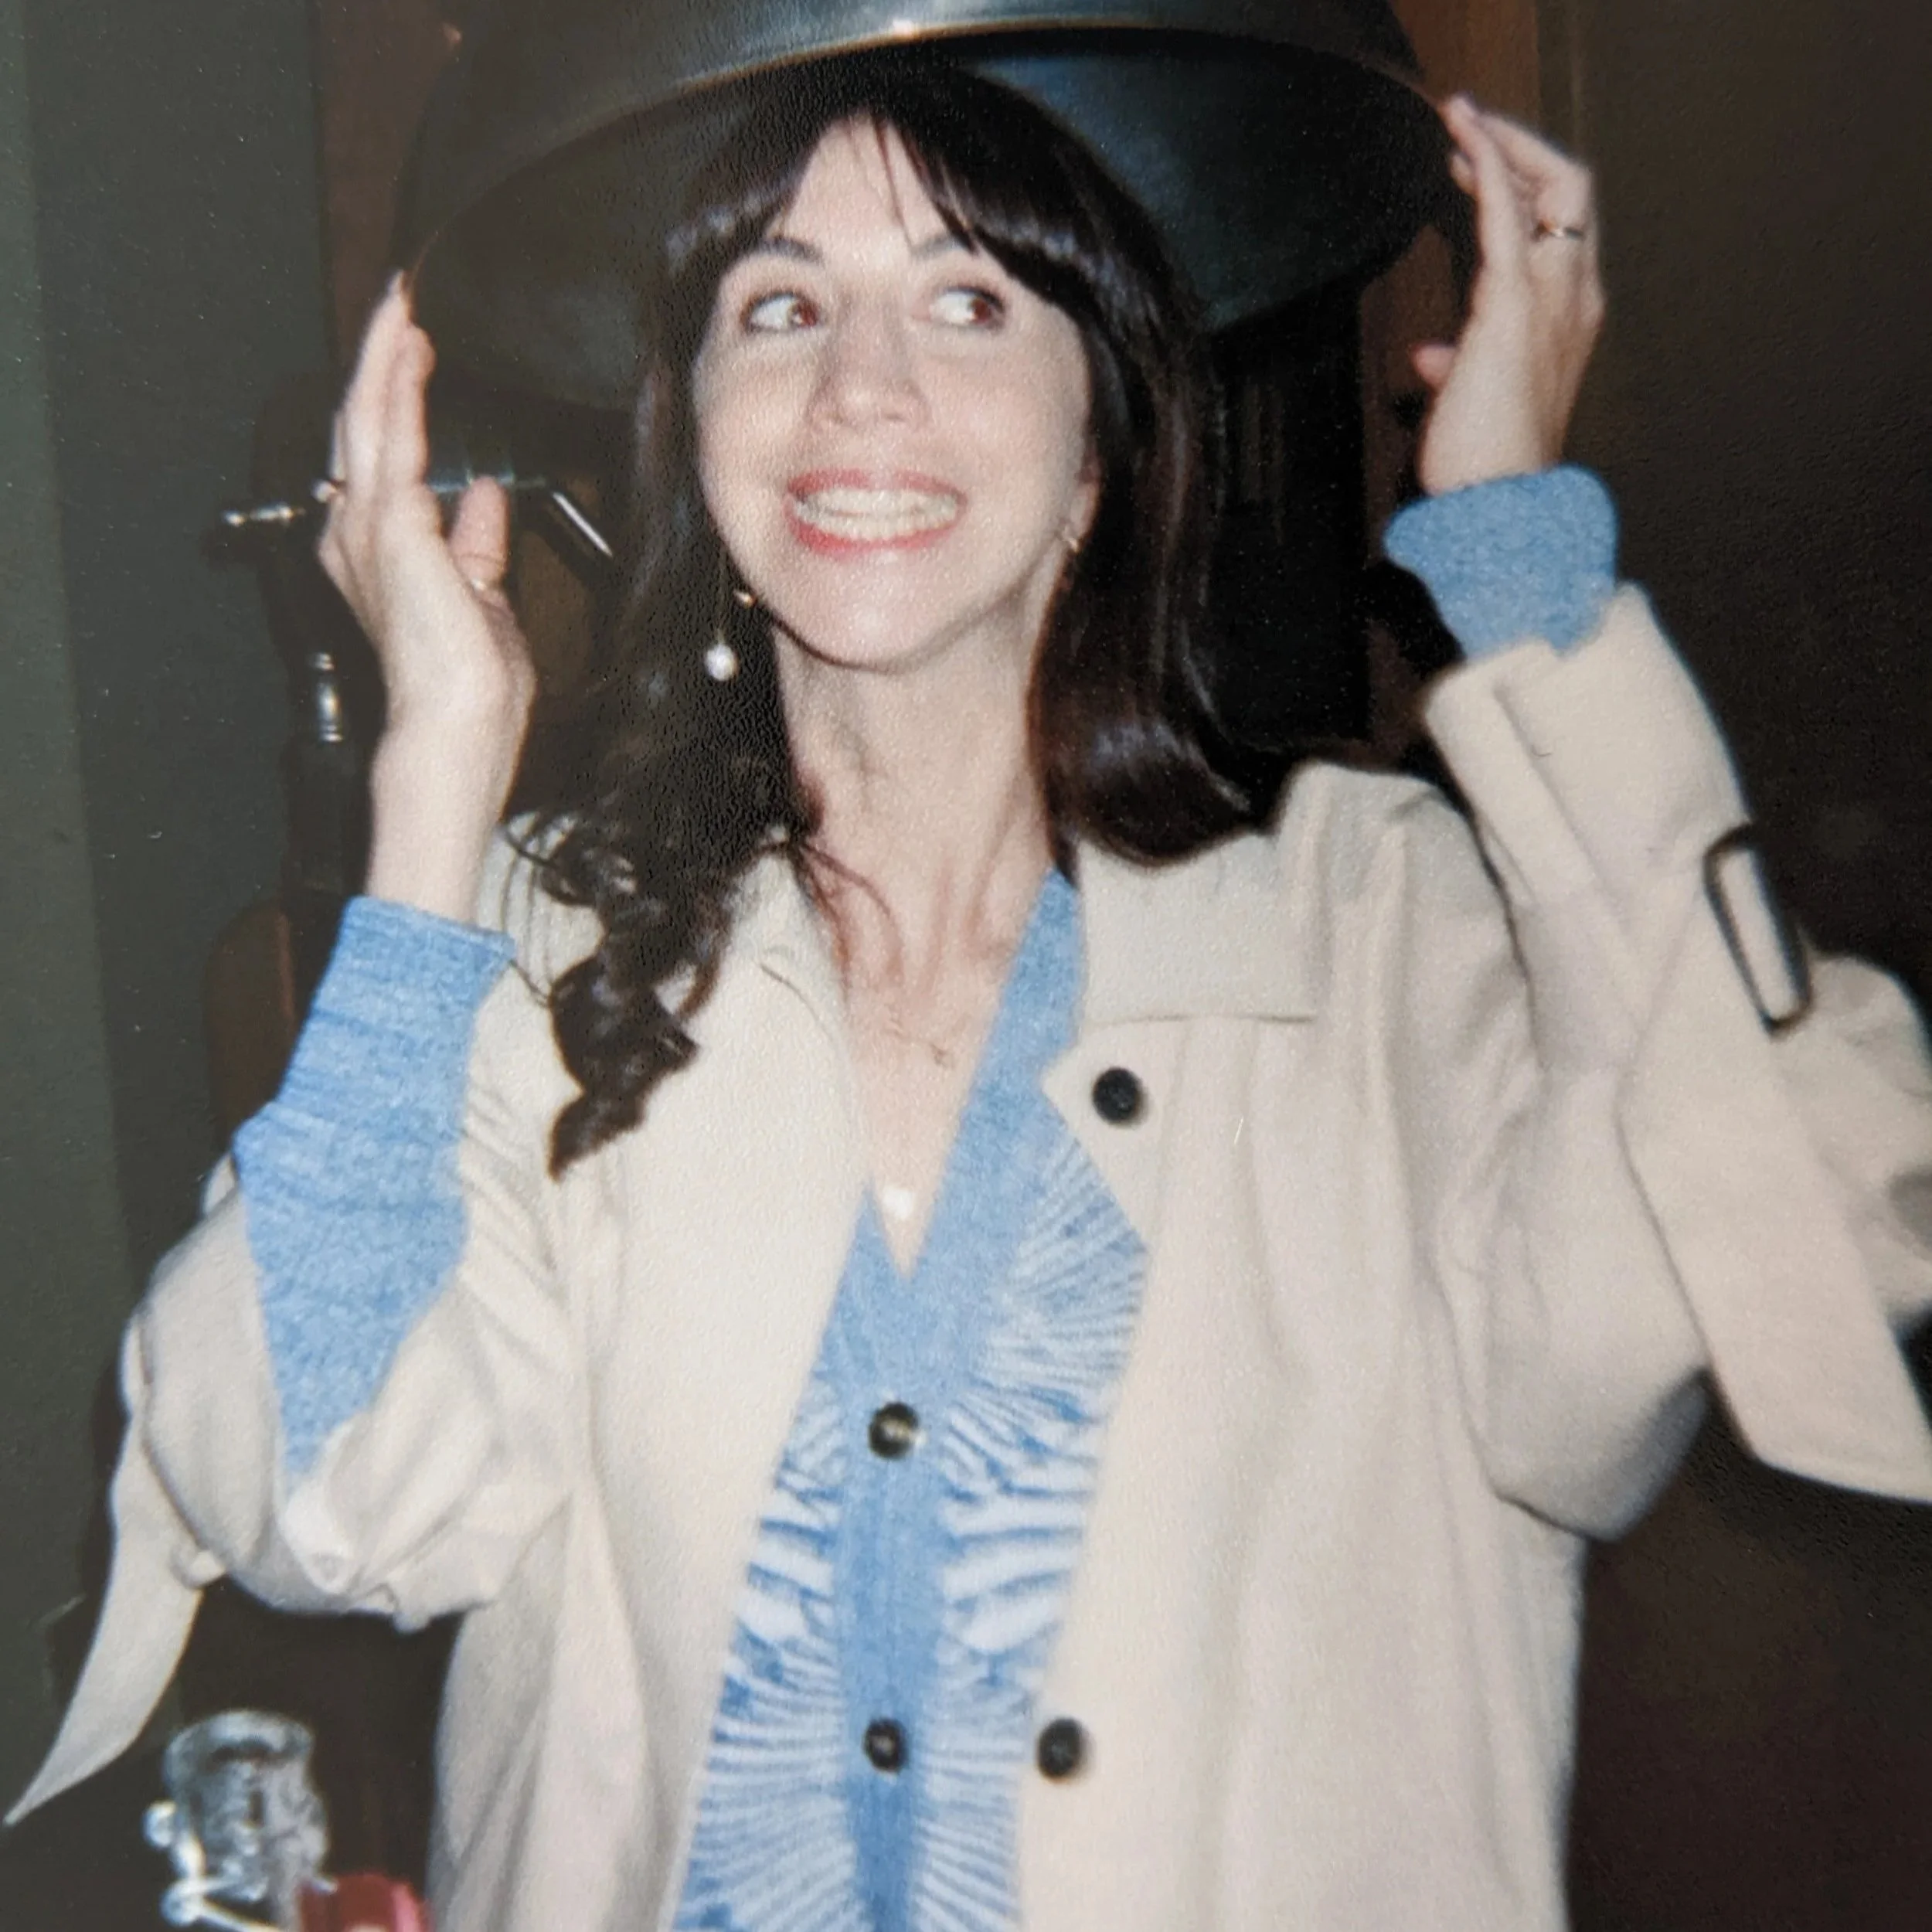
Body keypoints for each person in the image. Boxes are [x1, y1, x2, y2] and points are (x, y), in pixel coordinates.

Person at [15, 50, 1932, 1932]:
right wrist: (437, 779)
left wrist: (1521, 561)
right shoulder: (548, 940)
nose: (859, 384)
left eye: (967, 299)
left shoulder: (1382, 922)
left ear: (1096, 457)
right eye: (779, 306)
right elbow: (331, 1499)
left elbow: (1794, 1256)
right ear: (695, 435)